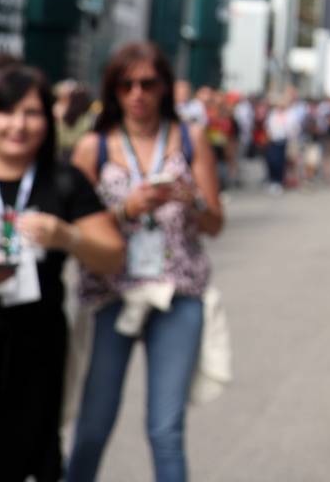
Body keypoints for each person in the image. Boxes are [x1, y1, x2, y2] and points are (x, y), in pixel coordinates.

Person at [67, 41, 224, 482]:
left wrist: (191, 199)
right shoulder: (93, 147)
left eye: (148, 83)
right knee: (93, 426)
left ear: (164, 87)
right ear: (113, 89)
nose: (137, 93)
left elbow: (215, 223)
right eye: (126, 84)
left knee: (165, 430)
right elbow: (78, 229)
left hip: (177, 291)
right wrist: (125, 210)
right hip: (110, 292)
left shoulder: (190, 139)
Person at [0, 65, 123, 482]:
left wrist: (68, 236)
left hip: (36, 345)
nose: (18, 125)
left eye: (31, 113)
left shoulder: (63, 180)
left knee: (28, 455)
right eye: (6, 111)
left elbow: (113, 257)